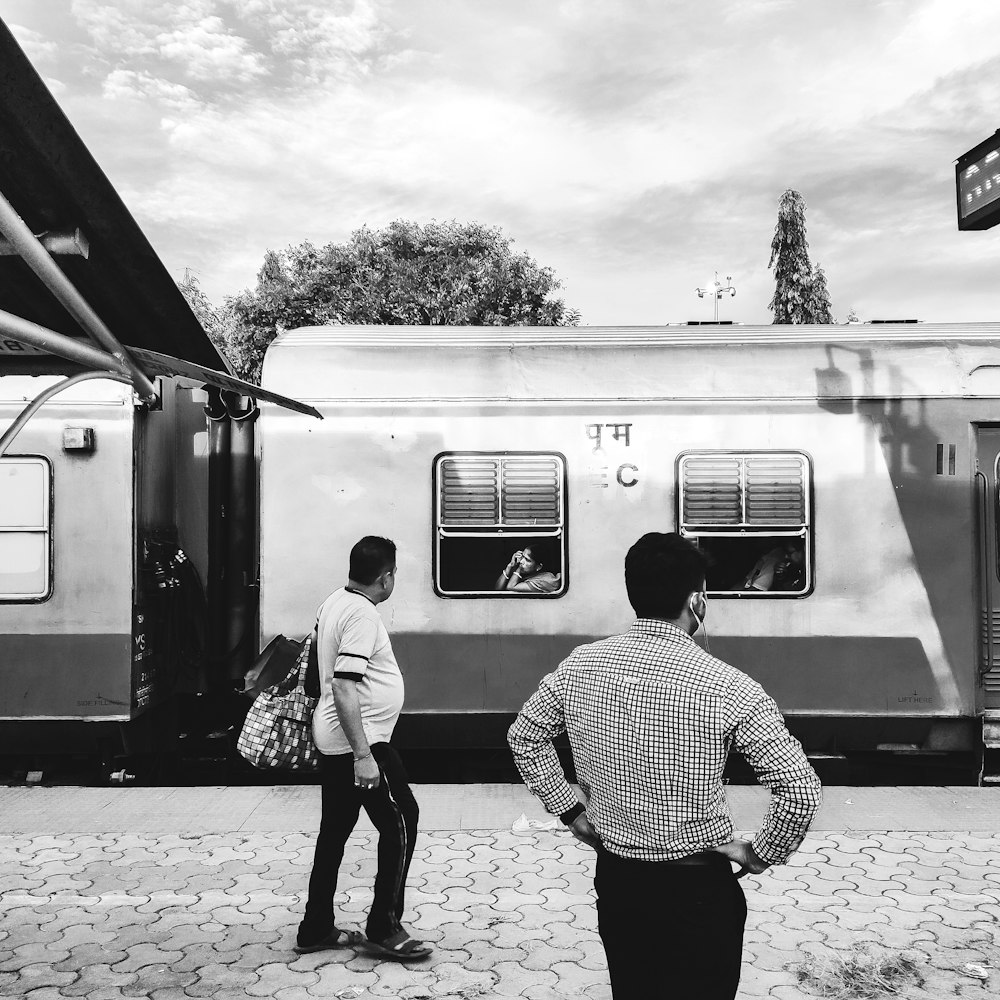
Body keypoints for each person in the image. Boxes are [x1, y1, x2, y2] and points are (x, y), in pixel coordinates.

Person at [507, 532, 822, 1000]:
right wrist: (760, 854)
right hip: (699, 890)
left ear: (635, 594)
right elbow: (800, 793)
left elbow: (524, 736)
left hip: (620, 882)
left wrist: (571, 812)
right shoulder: (729, 686)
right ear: (697, 600)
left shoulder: (582, 665)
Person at [295, 536, 431, 962]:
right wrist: (364, 756)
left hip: (337, 738)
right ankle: (384, 928)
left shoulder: (334, 601)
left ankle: (315, 926)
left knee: (334, 832)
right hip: (362, 742)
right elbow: (343, 683)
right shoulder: (362, 615)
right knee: (402, 822)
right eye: (395, 574)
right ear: (385, 576)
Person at [494, 540, 562, 593]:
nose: (521, 561)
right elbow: (497, 589)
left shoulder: (545, 580)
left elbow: (511, 587)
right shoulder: (525, 573)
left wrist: (519, 569)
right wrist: (509, 566)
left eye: (527, 560)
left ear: (539, 567)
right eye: (522, 557)